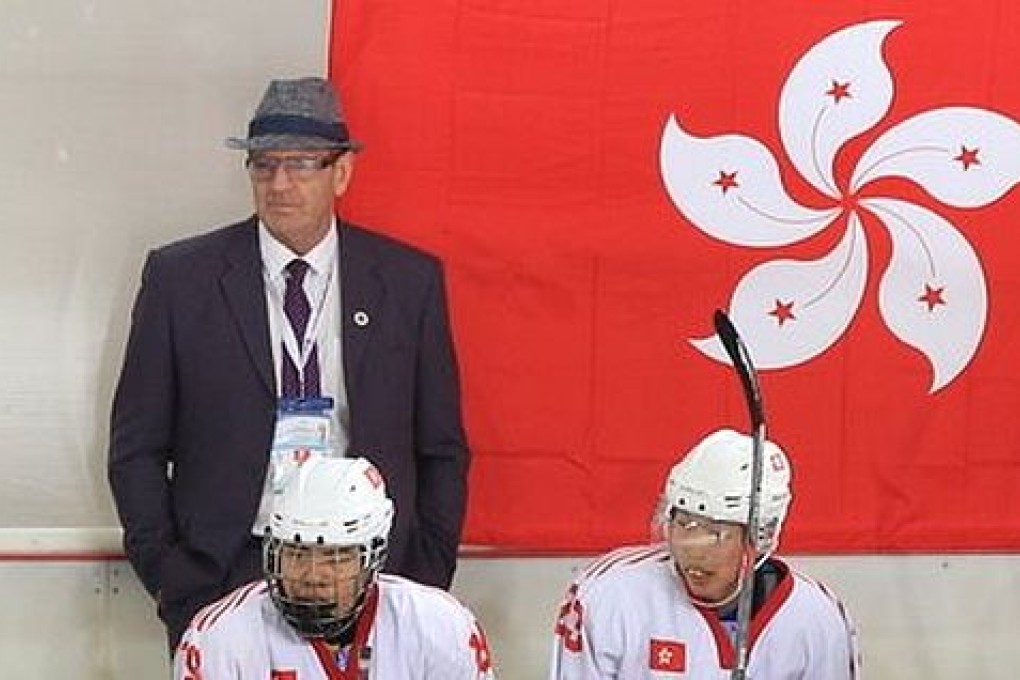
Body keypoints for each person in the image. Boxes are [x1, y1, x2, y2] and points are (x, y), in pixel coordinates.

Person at [108, 76, 469, 649]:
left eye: (301, 164)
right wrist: (171, 576)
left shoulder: (406, 282)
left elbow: (441, 446)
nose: (279, 184)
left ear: (341, 172)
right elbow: (136, 447)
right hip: (226, 572)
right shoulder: (182, 280)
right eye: (263, 165)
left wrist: (421, 576)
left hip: (369, 570)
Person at [548, 428, 860, 679]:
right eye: (683, 524)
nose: (693, 552)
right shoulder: (609, 593)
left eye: (715, 533)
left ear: (760, 535)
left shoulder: (817, 619)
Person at [173, 454, 495, 679]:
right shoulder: (219, 640)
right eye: (297, 553)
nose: (314, 575)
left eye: (335, 556)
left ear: (372, 557)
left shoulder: (440, 628)